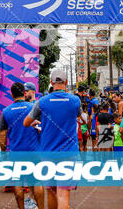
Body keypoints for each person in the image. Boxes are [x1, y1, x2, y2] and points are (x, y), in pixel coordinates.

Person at [24, 69, 81, 209]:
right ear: (66, 83)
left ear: (51, 82)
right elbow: (77, 118)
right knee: (63, 194)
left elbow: (26, 122)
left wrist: (37, 121)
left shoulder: (42, 102)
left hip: (48, 154)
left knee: (50, 191)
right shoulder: (75, 100)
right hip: (69, 154)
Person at [0, 82, 44, 209]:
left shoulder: (6, 111)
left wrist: (3, 152)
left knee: (18, 182)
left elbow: (3, 135)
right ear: (24, 93)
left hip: (16, 152)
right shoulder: (33, 108)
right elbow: (42, 127)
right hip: (34, 150)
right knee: (37, 181)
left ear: (12, 94)